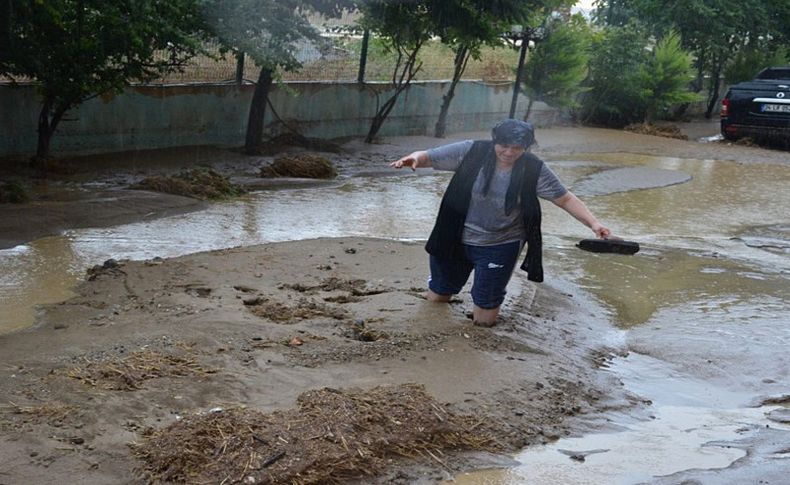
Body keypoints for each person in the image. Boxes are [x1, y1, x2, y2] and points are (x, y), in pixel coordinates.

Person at [390, 119, 611, 327]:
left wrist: (593, 223)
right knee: (439, 293)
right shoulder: (472, 151)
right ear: (495, 141)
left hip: (501, 243)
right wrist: (415, 159)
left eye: (517, 148)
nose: (509, 152)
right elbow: (428, 156)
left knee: (486, 311)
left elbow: (564, 198)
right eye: (504, 145)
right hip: (454, 236)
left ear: (526, 147)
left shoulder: (533, 169)